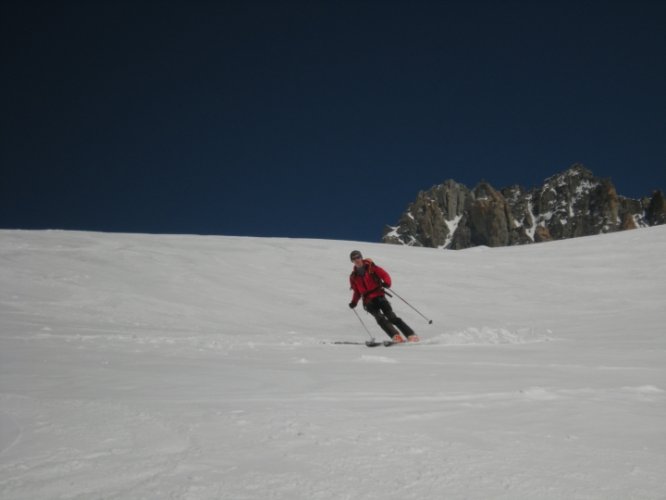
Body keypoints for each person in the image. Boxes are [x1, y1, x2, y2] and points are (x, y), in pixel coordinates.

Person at [348, 250, 419, 343]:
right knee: (379, 318)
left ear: (361, 257)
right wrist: (354, 302)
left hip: (379, 296)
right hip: (368, 301)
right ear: (352, 261)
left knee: (391, 316)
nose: (357, 260)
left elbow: (385, 275)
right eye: (354, 259)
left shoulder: (372, 267)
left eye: (358, 257)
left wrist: (387, 283)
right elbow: (357, 291)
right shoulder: (353, 276)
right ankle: (396, 336)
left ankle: (411, 335)